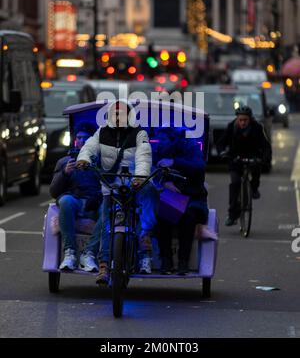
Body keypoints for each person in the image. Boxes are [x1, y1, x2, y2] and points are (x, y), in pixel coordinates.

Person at [76, 100, 158, 284]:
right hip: (110, 186)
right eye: (116, 113)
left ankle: (144, 245)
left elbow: (144, 155)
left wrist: (140, 177)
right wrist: (83, 159)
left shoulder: (139, 133)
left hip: (135, 183)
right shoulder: (101, 132)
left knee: (146, 203)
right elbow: (89, 147)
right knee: (106, 223)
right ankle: (104, 265)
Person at [153, 128, 217, 276]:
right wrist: (164, 183)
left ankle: (183, 262)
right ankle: (166, 260)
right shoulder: (162, 151)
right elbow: (155, 172)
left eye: (163, 140)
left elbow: (199, 167)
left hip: (193, 198)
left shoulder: (192, 150)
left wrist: (174, 162)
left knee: (188, 218)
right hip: (174, 197)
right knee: (162, 217)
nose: (160, 143)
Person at [49, 122, 103, 272]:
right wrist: (65, 174)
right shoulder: (65, 161)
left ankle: (89, 253)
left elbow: (109, 185)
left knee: (110, 208)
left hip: (95, 203)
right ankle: (70, 253)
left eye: (86, 138)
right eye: (79, 137)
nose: (81, 141)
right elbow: (53, 192)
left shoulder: (101, 161)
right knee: (65, 201)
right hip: (74, 201)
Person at [217, 105, 272, 226]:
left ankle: (254, 188)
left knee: (256, 169)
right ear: (237, 119)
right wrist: (222, 152)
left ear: (250, 119)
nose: (242, 123)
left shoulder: (257, 127)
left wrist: (265, 159)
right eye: (240, 120)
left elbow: (266, 146)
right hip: (235, 158)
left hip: (252, 156)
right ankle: (232, 215)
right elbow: (221, 142)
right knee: (235, 183)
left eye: (245, 120)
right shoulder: (231, 127)